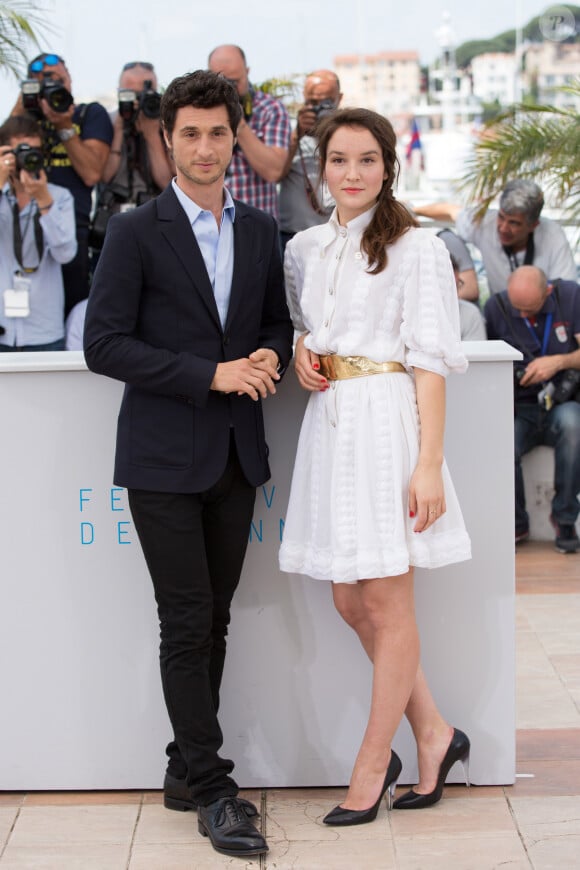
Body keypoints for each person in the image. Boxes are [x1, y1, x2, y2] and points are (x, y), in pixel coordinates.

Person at [83, 70, 293, 859]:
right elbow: (103, 344)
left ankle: (183, 767)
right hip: (163, 458)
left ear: (235, 136)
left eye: (218, 133)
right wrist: (211, 374)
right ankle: (212, 789)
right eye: (191, 134)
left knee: (217, 618)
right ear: (169, 140)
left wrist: (268, 351)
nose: (206, 148)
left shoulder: (261, 232)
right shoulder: (138, 230)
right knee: (187, 620)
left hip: (237, 455)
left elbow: (273, 320)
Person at [280, 108, 472, 824]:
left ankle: (371, 761)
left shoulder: (417, 247)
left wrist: (429, 464)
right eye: (339, 160)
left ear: (389, 166)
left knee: (388, 604)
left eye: (367, 160)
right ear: (319, 169)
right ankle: (435, 732)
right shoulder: (302, 248)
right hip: (330, 428)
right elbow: (309, 327)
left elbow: (430, 362)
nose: (352, 174)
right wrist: (304, 352)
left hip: (389, 426)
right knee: (348, 599)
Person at [484, 265, 580, 553]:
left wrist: (556, 362)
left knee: (574, 426)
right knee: (502, 443)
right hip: (519, 406)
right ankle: (516, 522)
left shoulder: (569, 296)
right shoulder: (496, 307)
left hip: (563, 402)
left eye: (531, 309)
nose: (524, 316)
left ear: (547, 292)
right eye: (519, 310)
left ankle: (565, 518)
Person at [13, 52, 113, 314]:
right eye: (43, 81)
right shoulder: (25, 118)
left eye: (59, 79)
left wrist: (64, 125)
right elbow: (5, 145)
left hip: (72, 227)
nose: (53, 85)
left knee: (73, 311)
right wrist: (25, 98)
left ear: (70, 80)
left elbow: (92, 173)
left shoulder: (89, 114)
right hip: (19, 225)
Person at [413, 180, 576, 295]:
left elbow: (567, 290)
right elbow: (449, 211)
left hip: (543, 313)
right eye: (501, 217)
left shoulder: (553, 235)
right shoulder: (486, 222)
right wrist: (410, 211)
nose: (503, 228)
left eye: (514, 223)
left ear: (533, 225)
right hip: (502, 316)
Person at [0, 115, 76, 351]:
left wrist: (44, 201)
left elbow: (65, 254)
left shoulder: (59, 197)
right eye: (19, 151)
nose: (25, 158)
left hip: (44, 330)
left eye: (32, 151)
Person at [90, 61, 173, 250]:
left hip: (156, 225)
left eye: (144, 93)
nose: (137, 100)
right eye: (130, 93)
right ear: (119, 91)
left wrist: (152, 134)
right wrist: (119, 128)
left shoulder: (166, 126)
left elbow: (168, 183)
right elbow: (104, 176)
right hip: (113, 225)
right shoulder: (107, 122)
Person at [208, 44, 291, 218]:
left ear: (247, 71)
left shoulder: (270, 108)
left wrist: (237, 120)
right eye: (222, 81)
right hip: (211, 223)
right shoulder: (201, 112)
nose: (230, 89)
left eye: (235, 81)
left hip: (258, 224)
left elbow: (274, 171)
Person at [278, 69, 342, 251]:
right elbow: (274, 174)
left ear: (340, 99)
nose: (320, 108)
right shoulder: (288, 129)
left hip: (336, 236)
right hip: (293, 235)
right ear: (304, 99)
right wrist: (296, 136)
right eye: (313, 102)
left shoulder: (347, 133)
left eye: (327, 102)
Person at [449, 256, 486, 340]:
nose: (454, 292)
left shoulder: (470, 314)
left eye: (457, 285)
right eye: (449, 286)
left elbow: (476, 352)